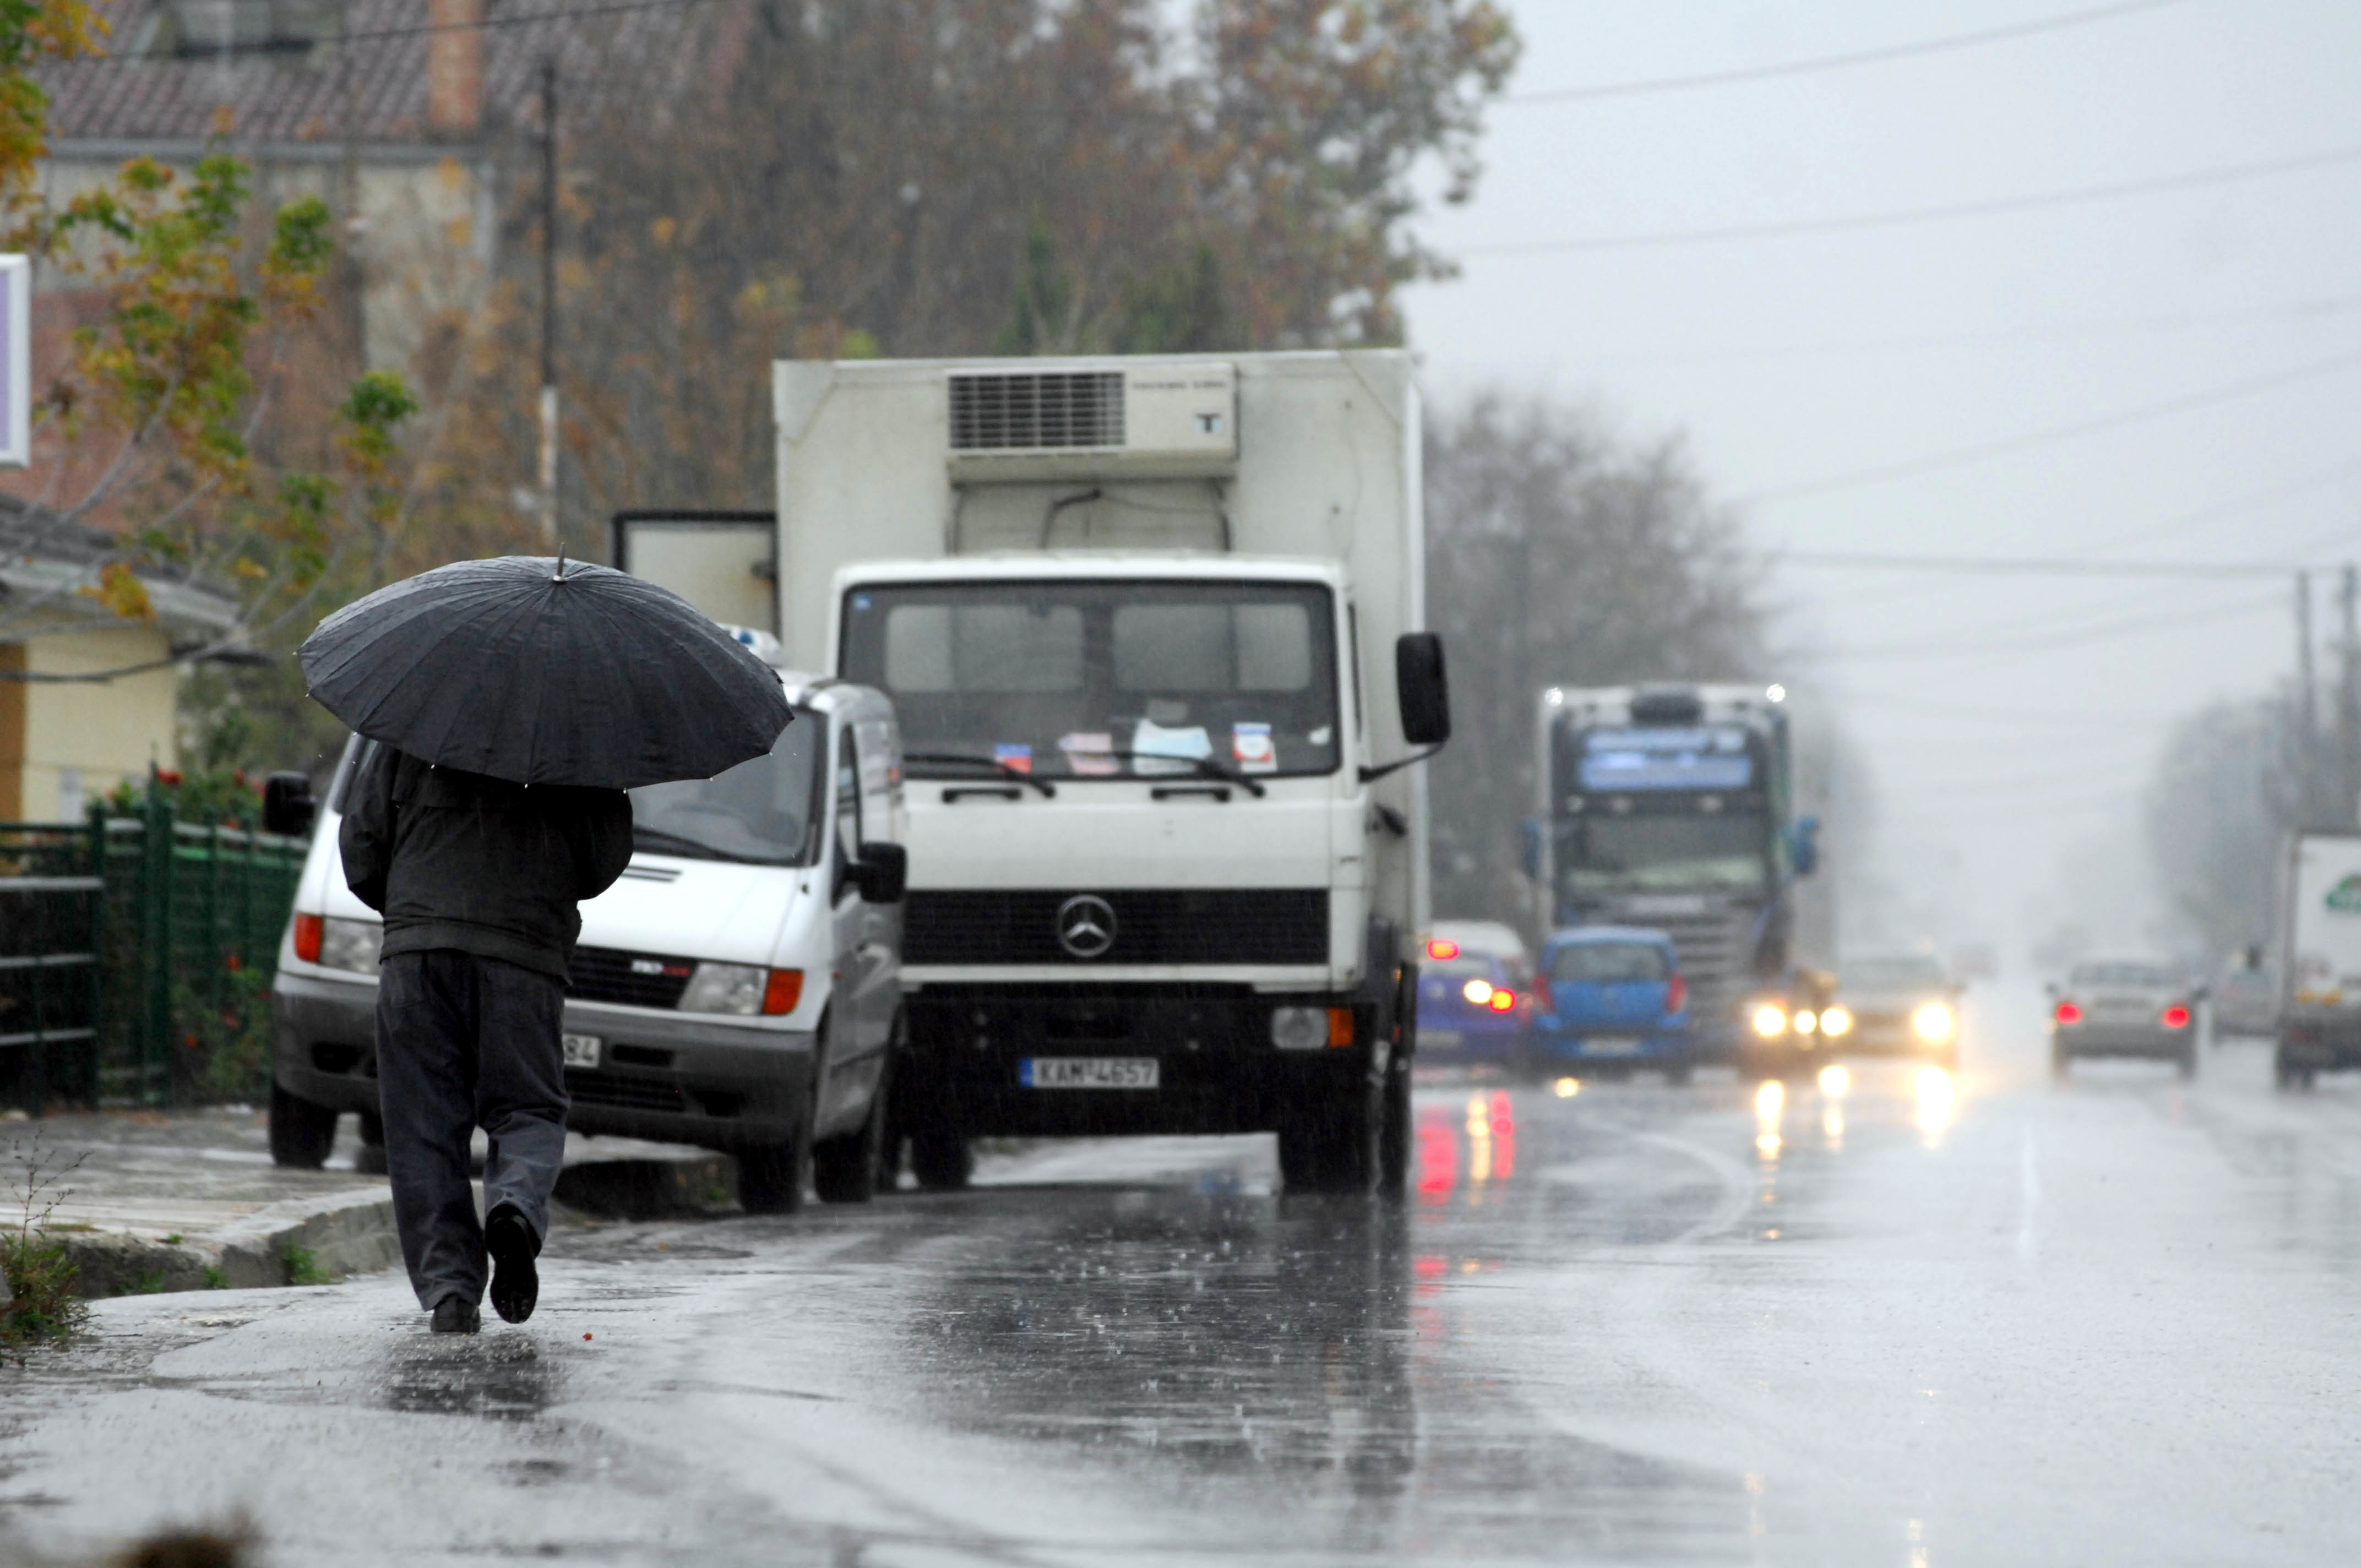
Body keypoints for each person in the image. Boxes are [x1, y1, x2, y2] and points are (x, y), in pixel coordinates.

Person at [341, 745, 633, 1334]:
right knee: (527, 1106)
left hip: (417, 953)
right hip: (523, 958)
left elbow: (362, 850)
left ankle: (450, 1290)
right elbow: (602, 862)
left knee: (423, 1124)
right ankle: (514, 1210)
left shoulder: (413, 729)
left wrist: (415, 912)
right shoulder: (579, 737)